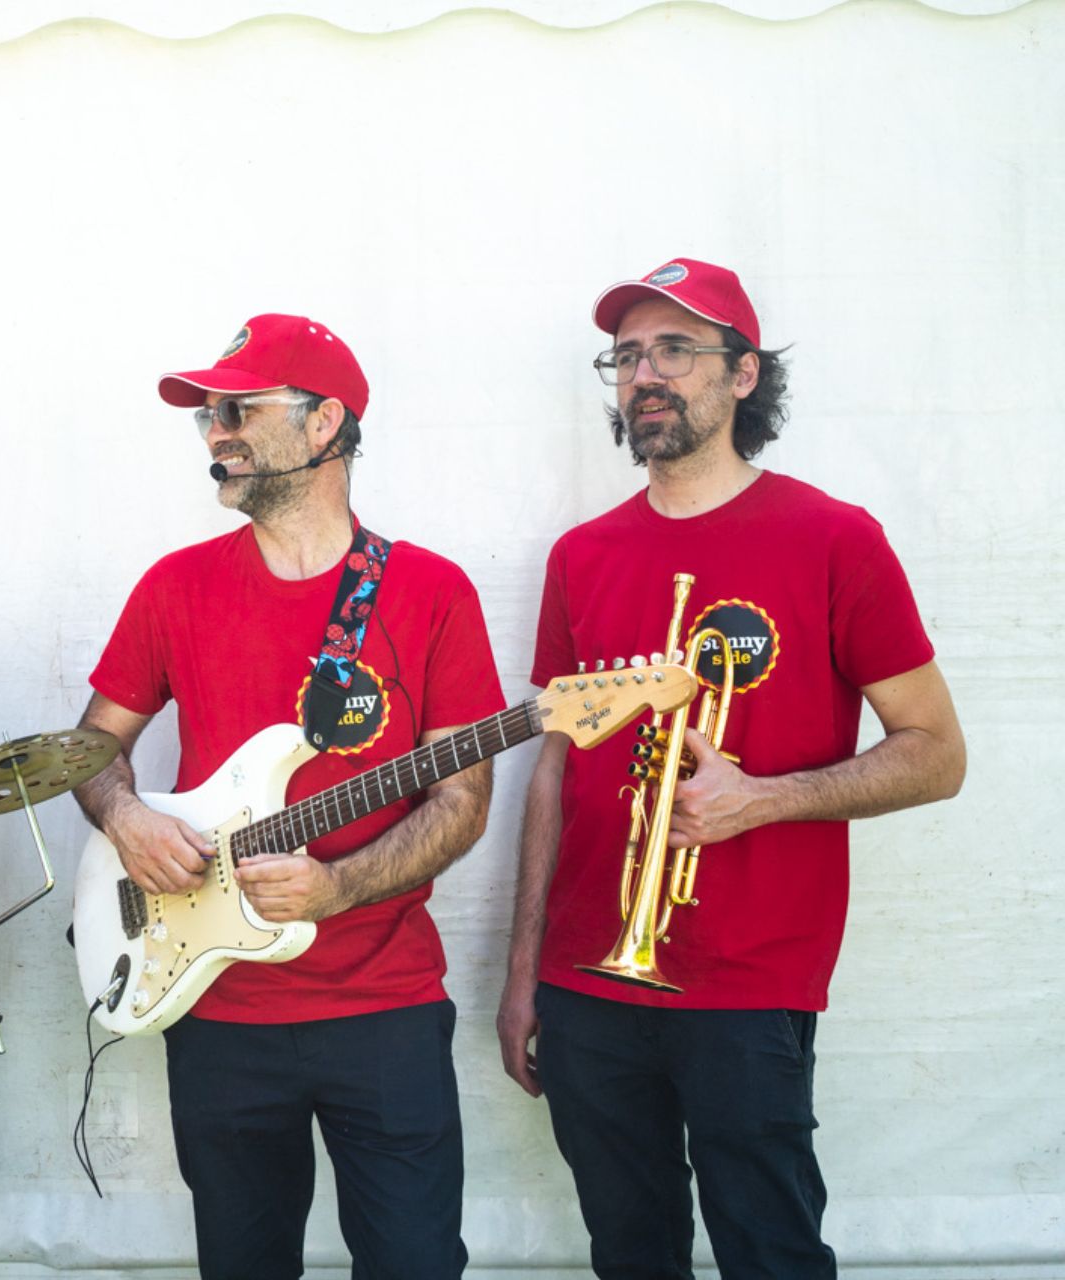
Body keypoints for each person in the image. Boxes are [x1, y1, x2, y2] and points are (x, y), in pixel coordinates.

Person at [495, 258, 967, 1278]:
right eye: (625, 356)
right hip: (586, 976)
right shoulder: (582, 555)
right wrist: (524, 968)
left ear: (745, 374)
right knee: (629, 1250)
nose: (644, 375)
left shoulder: (837, 539)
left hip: (750, 978)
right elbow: (553, 771)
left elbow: (938, 753)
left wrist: (763, 799)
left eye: (676, 349)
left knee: (771, 1248)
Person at [74, 315, 503, 1279]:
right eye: (207, 416)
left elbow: (459, 802)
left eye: (240, 409)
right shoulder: (173, 589)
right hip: (217, 1004)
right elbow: (92, 750)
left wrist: (339, 888)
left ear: (324, 426)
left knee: (415, 1264)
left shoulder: (431, 592)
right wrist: (129, 816)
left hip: (384, 1008)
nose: (216, 430)